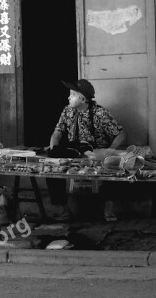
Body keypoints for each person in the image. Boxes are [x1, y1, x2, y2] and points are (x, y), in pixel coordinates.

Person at [47, 79, 126, 221]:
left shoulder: (100, 113)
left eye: (72, 94)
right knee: (51, 164)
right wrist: (54, 148)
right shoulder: (67, 111)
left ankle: (108, 209)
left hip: (96, 153)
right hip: (75, 151)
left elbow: (121, 134)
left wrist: (109, 151)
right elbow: (57, 132)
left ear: (82, 99)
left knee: (113, 164)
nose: (68, 97)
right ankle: (63, 210)